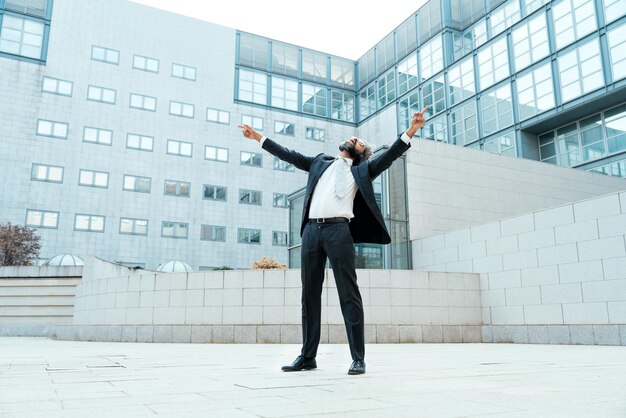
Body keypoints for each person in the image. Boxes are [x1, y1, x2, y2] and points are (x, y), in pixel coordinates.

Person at [238, 106, 428, 375]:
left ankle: (358, 358)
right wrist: (259, 137)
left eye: (360, 143)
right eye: (354, 138)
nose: (355, 140)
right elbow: (288, 155)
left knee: (348, 293)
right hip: (312, 232)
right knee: (309, 296)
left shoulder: (363, 170)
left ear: (361, 153)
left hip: (339, 231)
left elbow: (390, 156)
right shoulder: (319, 162)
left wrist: (411, 131)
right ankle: (307, 357)